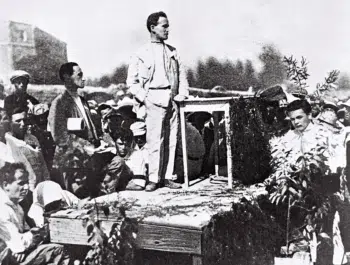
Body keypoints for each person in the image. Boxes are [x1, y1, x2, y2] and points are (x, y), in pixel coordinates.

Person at [127, 11, 189, 191]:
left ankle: (168, 177)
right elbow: (131, 82)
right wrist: (143, 97)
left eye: (168, 25)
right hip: (152, 98)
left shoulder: (173, 51)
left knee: (172, 139)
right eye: (164, 26)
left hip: (172, 99)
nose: (168, 29)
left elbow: (182, 76)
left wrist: (182, 94)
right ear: (152, 28)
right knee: (155, 141)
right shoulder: (141, 53)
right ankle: (154, 178)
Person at [0, 162, 70, 265]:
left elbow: (19, 242)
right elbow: (18, 244)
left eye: (27, 182)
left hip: (13, 254)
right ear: (6, 185)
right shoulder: (2, 209)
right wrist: (38, 233)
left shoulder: (17, 206)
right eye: (21, 183)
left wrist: (22, 246)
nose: (26, 187)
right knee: (58, 250)